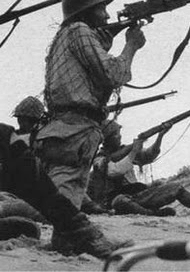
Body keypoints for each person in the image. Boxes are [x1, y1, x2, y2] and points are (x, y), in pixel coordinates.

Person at [34, 0, 145, 212]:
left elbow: (85, 76)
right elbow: (113, 74)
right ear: (85, 11)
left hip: (63, 128)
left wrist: (102, 46)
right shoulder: (80, 30)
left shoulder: (66, 35)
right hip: (76, 130)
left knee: (59, 197)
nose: (106, 16)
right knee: (60, 205)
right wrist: (131, 46)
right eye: (101, 9)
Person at [0, 97, 118, 258]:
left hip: (23, 194)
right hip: (23, 198)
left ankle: (79, 228)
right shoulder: (16, 138)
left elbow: (40, 187)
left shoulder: (14, 139)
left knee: (28, 224)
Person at [87, 119, 190, 216]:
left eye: (119, 133)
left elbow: (148, 156)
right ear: (107, 139)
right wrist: (133, 151)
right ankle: (152, 213)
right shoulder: (99, 159)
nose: (119, 136)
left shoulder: (125, 151)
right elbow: (114, 171)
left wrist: (160, 136)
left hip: (138, 196)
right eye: (116, 134)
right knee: (120, 201)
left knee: (176, 187)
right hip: (114, 201)